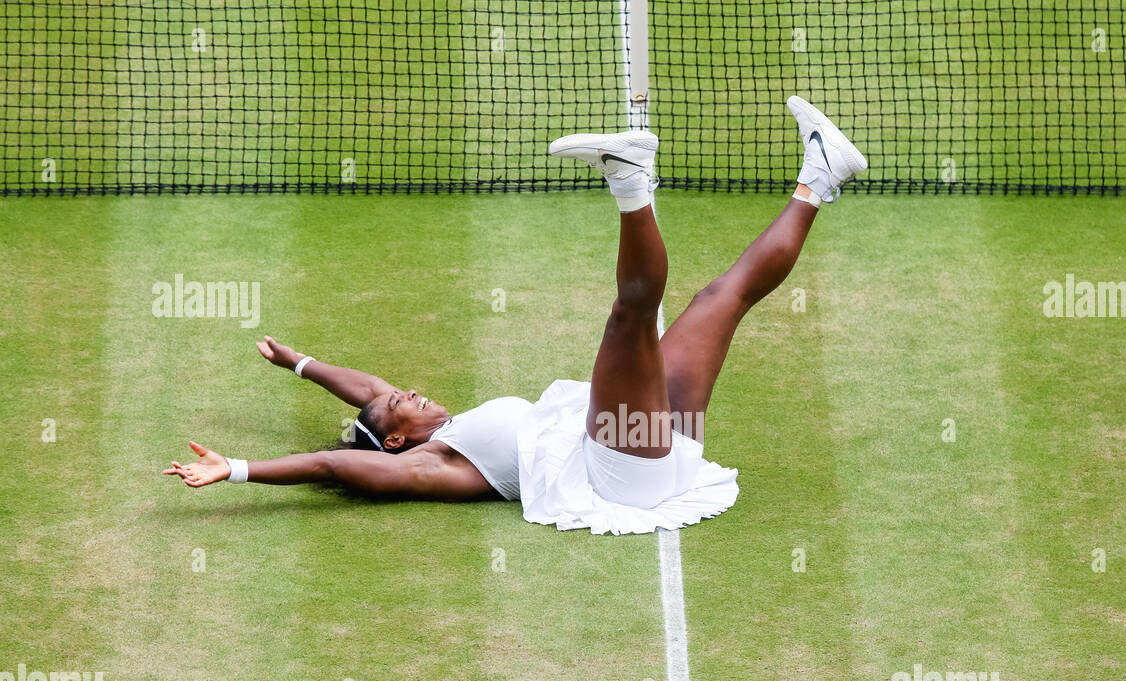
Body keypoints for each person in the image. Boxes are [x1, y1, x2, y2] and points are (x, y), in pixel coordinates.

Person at [164, 96, 868, 535]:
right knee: (628, 318)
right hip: (623, 469)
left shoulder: (436, 424)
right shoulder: (435, 467)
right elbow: (333, 463)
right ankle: (629, 179)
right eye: (397, 408)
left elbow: (369, 396)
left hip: (654, 442)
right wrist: (238, 470)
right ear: (401, 443)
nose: (402, 392)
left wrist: (302, 365)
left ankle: (822, 174)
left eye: (397, 392)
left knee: (720, 298)